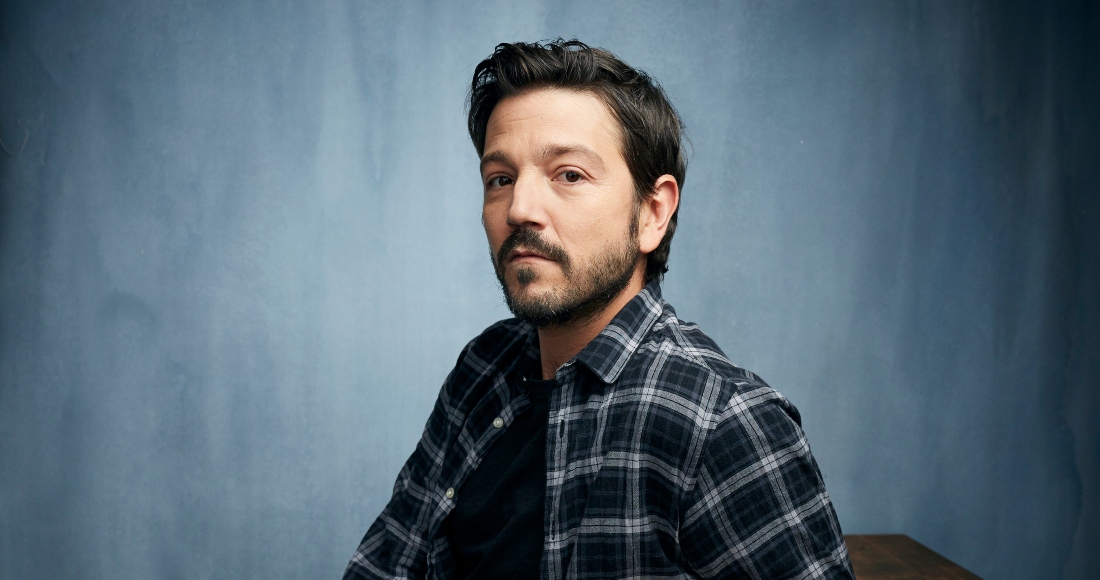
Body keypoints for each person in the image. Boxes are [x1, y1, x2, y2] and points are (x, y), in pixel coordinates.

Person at [344, 39, 853, 580]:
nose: (519, 209)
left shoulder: (723, 423)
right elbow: (387, 564)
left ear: (652, 212)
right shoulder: (482, 368)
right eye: (501, 179)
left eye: (569, 175)